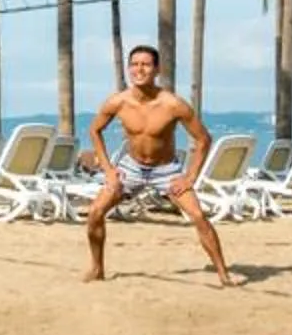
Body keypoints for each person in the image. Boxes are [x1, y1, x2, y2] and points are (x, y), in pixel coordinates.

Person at [80, 44, 239, 288]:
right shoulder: (118, 102)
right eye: (134, 64)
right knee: (95, 213)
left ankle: (223, 274)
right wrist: (109, 169)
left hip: (166, 170)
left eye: (145, 64)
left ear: (156, 70)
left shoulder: (173, 104)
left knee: (197, 216)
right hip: (131, 167)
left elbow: (203, 139)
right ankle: (97, 268)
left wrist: (190, 177)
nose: (139, 69)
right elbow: (94, 130)